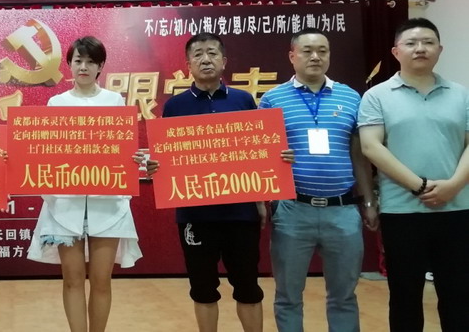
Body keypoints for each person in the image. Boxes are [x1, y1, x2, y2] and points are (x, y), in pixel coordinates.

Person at [147, 32, 294, 332]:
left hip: (240, 213)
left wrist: (261, 196)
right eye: (198, 54)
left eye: (212, 53)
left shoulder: (243, 100)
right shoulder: (174, 106)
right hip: (195, 215)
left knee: (248, 286)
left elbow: (256, 153)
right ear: (188, 64)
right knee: (202, 288)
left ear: (224, 61)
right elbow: (167, 158)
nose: (206, 59)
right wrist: (156, 166)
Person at [258, 28, 376, 332]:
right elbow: (260, 156)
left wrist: (368, 201)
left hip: (343, 211)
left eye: (322, 51)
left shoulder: (351, 97)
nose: (315, 57)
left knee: (344, 296)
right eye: (307, 50)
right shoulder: (272, 99)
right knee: (288, 296)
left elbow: (359, 155)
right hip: (293, 210)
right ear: (292, 56)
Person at [358, 18, 469, 332]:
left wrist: (453, 186)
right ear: (396, 51)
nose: (420, 48)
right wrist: (419, 186)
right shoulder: (377, 96)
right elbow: (371, 146)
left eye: (428, 42)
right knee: (405, 295)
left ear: (440, 49)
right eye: (411, 43)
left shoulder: (461, 94)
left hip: (457, 209)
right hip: (402, 211)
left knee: (459, 294)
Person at [27, 36, 142, 332]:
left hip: (108, 203)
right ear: (69, 64)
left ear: (101, 66)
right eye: (78, 60)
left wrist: (134, 158)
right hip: (64, 202)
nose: (84, 67)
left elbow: (123, 149)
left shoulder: (114, 101)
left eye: (91, 62)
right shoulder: (56, 103)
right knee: (72, 280)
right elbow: (45, 152)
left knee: (102, 281)